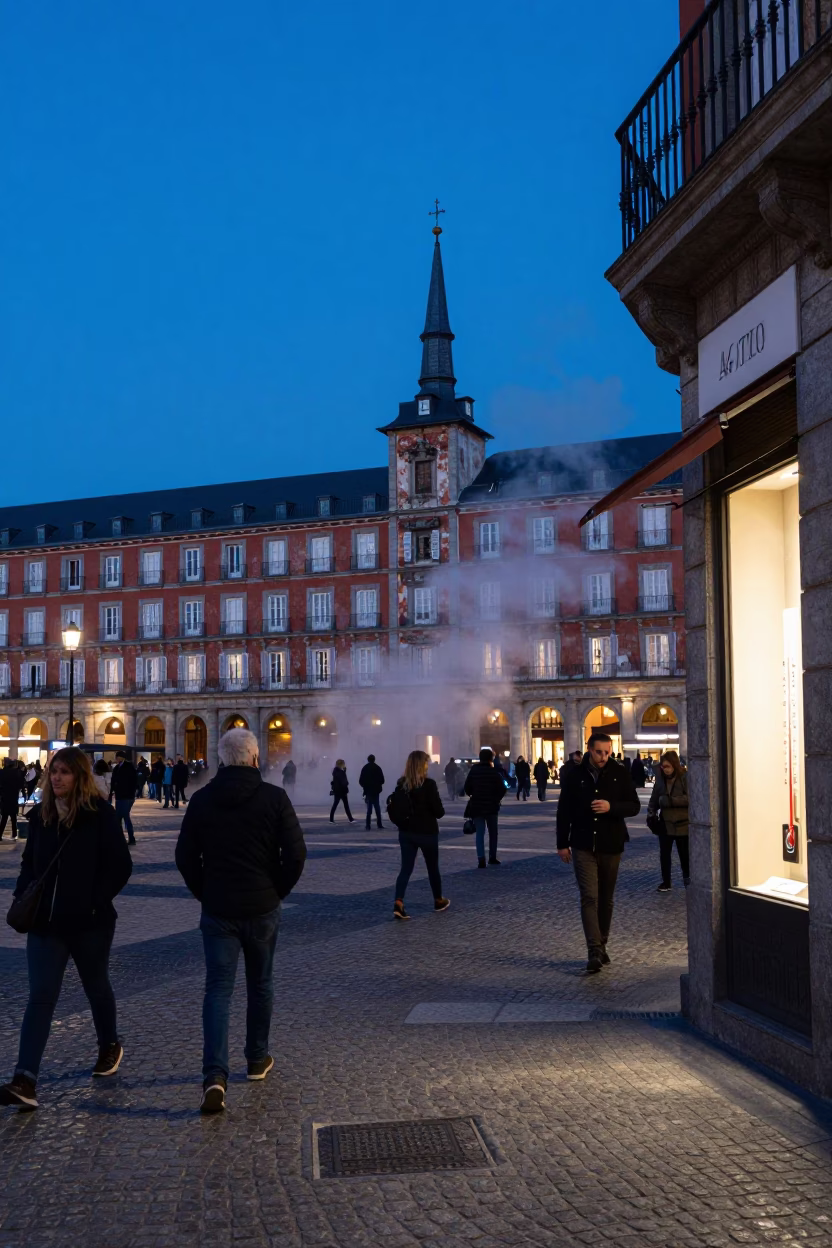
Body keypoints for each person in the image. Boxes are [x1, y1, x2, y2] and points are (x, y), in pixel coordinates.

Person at [175, 728, 307, 1114]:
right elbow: (296, 854)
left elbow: (185, 857)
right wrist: (276, 890)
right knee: (260, 985)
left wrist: (204, 891)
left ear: (222, 759)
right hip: (263, 907)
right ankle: (256, 1059)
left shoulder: (201, 800)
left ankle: (215, 1075)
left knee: (217, 991)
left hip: (218, 910)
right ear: (253, 758)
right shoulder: (274, 797)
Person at [0, 747, 133, 1111]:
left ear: (80, 776)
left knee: (96, 987)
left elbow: (121, 866)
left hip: (89, 922)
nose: (57, 778)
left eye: (64, 772)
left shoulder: (99, 815)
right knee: (40, 996)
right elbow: (29, 864)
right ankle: (25, 1078)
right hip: (45, 922)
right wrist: (22, 895)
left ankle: (109, 1044)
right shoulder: (41, 816)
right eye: (53, 772)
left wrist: (94, 901)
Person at [556, 732, 640, 974]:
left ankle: (602, 944)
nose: (604, 757)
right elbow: (564, 811)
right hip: (583, 843)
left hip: (611, 843)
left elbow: (634, 805)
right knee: (589, 897)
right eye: (599, 752)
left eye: (607, 752)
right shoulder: (575, 775)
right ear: (589, 750)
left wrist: (611, 807)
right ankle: (593, 950)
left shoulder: (620, 772)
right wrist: (562, 843)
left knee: (606, 897)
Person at [388, 750, 449, 920]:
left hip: (406, 832)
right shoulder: (429, 784)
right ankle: (438, 900)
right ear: (422, 765)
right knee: (432, 868)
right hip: (427, 832)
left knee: (405, 869)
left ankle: (398, 902)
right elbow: (439, 812)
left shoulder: (401, 784)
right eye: (426, 763)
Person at [648, 750, 690, 891]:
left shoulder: (685, 778)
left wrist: (670, 801)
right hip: (665, 824)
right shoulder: (660, 780)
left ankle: (688, 879)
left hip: (682, 824)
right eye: (663, 767)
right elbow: (654, 799)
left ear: (674, 765)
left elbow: (691, 798)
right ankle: (666, 882)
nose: (665, 770)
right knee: (664, 855)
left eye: (667, 766)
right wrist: (650, 814)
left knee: (685, 856)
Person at [464, 747, 507, 868]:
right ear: (491, 759)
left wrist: (473, 794)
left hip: (477, 806)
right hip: (492, 807)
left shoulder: (474, 770)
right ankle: (492, 857)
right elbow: (502, 788)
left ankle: (481, 859)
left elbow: (467, 787)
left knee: (480, 833)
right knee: (493, 833)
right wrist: (496, 799)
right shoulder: (494, 772)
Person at [109, 751, 138, 846]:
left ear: (121, 757)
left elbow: (133, 780)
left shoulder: (129, 767)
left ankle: (131, 838)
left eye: (117, 757)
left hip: (127, 796)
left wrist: (132, 793)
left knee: (125, 816)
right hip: (119, 796)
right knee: (118, 817)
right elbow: (113, 781)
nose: (116, 759)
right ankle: (120, 838)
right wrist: (112, 791)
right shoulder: (117, 767)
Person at [0, 757, 25, 841]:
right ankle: (14, 834)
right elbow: (21, 784)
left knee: (4, 817)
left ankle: (0, 834)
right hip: (13, 797)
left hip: (4, 797)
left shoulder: (2, 773)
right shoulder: (16, 773)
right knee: (13, 817)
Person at [358, 754, 385, 830]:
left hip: (368, 791)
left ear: (368, 760)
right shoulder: (378, 768)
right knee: (377, 808)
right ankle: (379, 824)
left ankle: (368, 825)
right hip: (376, 791)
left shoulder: (365, 768)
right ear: (374, 759)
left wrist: (365, 787)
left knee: (369, 809)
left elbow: (361, 781)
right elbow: (382, 780)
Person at [329, 760, 354, 824]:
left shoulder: (335, 771)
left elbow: (336, 780)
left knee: (335, 805)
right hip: (342, 791)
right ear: (341, 764)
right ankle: (351, 819)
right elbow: (344, 781)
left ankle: (331, 819)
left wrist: (344, 772)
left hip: (337, 791)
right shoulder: (341, 772)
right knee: (346, 805)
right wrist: (344, 773)